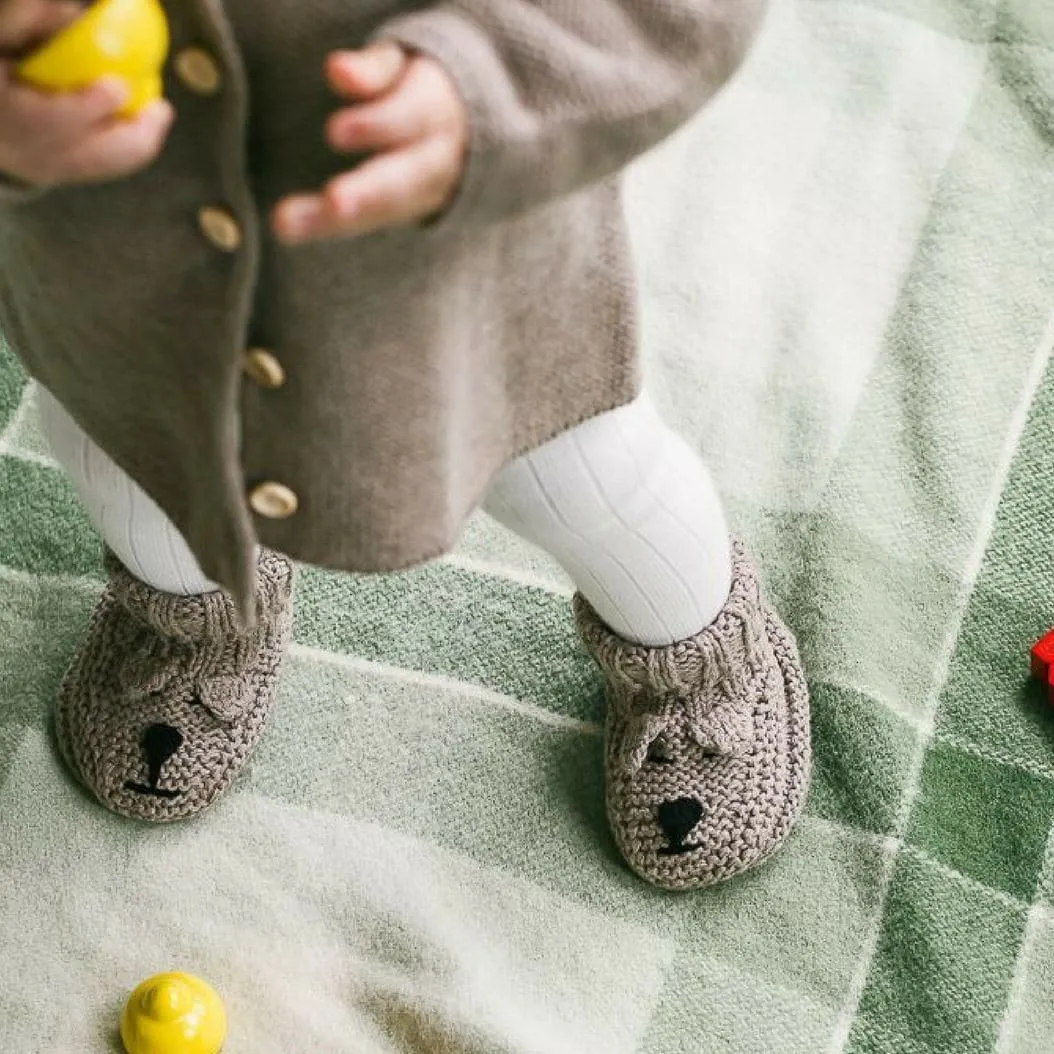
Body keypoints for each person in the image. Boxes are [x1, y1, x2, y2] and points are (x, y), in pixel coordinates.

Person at [0, 0, 809, 891]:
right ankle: (187, 622)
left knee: (585, 484)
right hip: (119, 279)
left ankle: (698, 656)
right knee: (128, 465)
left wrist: (495, 85)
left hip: (458, 296)